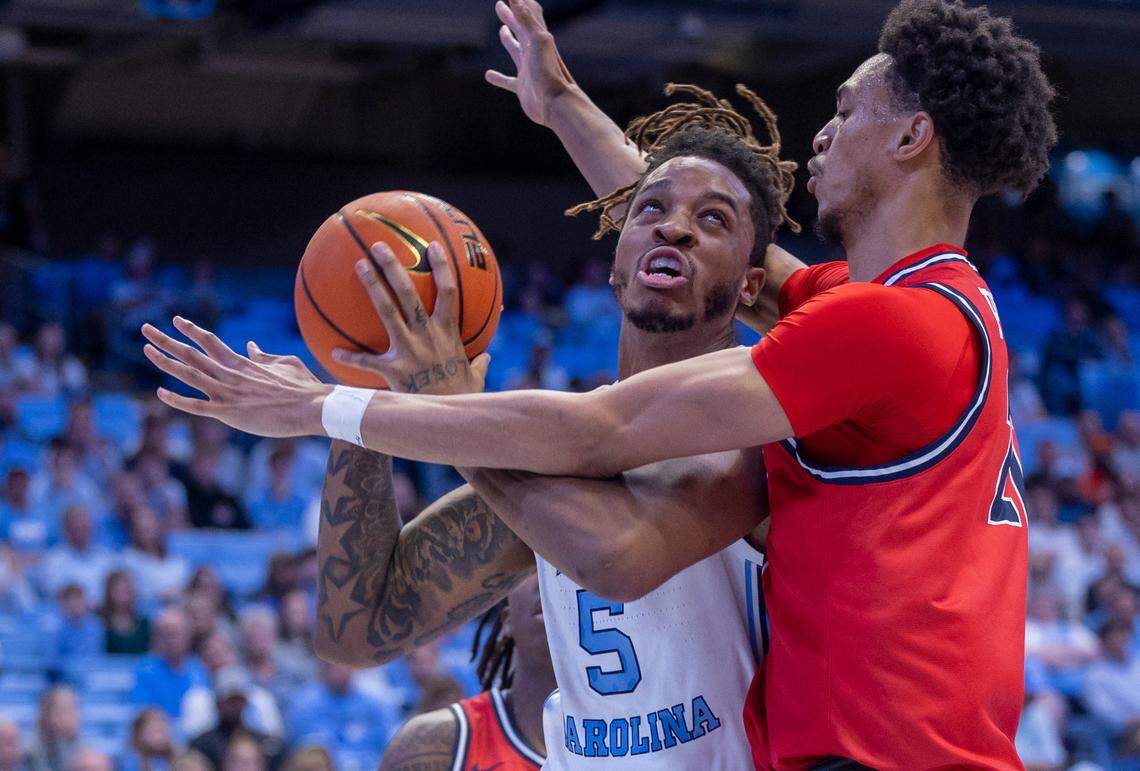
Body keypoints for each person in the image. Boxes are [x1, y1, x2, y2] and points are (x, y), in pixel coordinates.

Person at [144, 0, 1058, 766]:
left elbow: (599, 445)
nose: (824, 129)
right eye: (647, 217)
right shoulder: (902, 311)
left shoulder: (869, 342)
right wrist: (562, 105)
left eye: (848, 110)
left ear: (912, 135)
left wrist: (333, 405)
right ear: (615, 252)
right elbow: (360, 624)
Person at [380, 575, 552, 770]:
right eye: (533, 563)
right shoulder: (431, 744)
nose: (548, 577)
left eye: (566, 567)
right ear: (506, 620)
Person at [188, 668, 285, 771]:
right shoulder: (203, 745)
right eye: (230, 701)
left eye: (239, 700)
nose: (235, 706)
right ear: (217, 703)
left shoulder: (264, 741)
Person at [132, 607, 210, 719]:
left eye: (176, 633)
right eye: (165, 634)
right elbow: (143, 713)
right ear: (156, 637)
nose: (171, 640)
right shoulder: (144, 670)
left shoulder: (199, 669)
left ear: (189, 635)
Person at [27, 687, 82, 771]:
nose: (69, 717)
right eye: (63, 711)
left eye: (73, 710)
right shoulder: (30, 751)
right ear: (45, 713)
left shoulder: (83, 750)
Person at [101, 569, 152, 655]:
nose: (125, 596)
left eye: (128, 590)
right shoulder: (100, 623)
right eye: (120, 591)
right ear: (109, 592)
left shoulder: (145, 624)